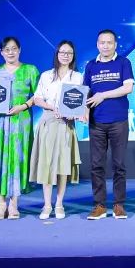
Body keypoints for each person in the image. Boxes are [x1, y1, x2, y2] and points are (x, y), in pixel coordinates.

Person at [0, 36, 39, 220]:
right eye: (6, 49)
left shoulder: (30, 70)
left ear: (19, 50)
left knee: (18, 158)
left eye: (14, 48)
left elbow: (39, 95)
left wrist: (23, 106)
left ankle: (14, 204)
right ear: (1, 52)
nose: (10, 52)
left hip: (20, 122)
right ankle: (1, 204)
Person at [83, 29, 135, 220]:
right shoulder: (91, 65)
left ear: (115, 44)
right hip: (96, 121)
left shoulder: (123, 62)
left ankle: (119, 205)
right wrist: (84, 111)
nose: (105, 46)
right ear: (97, 44)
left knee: (119, 164)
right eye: (102, 42)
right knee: (96, 165)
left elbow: (128, 88)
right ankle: (99, 205)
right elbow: (85, 91)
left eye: (109, 42)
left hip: (118, 120)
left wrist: (102, 95)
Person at [30, 40, 82, 220]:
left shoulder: (78, 77)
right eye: (62, 52)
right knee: (46, 165)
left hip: (66, 125)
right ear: (57, 54)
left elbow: (79, 102)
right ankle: (46, 205)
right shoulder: (46, 75)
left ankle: (59, 204)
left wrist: (72, 114)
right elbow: (37, 99)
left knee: (62, 166)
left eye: (69, 53)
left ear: (73, 56)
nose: (65, 55)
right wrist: (53, 108)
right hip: (48, 122)